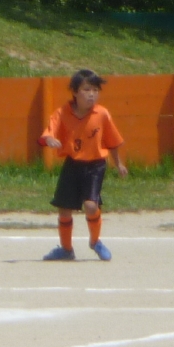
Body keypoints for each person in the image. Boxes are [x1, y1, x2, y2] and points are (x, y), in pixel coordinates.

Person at [40, 69, 127, 261]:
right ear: (75, 92)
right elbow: (49, 131)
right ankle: (66, 249)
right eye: (86, 90)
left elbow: (112, 141)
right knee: (64, 208)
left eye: (95, 90)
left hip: (95, 166)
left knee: (90, 205)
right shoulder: (63, 112)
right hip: (73, 164)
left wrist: (119, 164)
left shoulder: (102, 114)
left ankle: (95, 241)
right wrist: (49, 139)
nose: (91, 94)